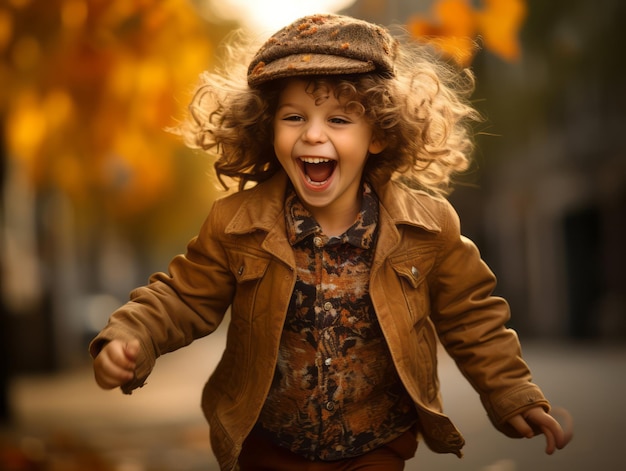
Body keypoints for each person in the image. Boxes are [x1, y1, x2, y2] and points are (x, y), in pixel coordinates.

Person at [91, 13, 572, 471]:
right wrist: (134, 337)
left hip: (375, 443)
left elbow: (472, 317)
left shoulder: (427, 228)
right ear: (266, 128)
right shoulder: (236, 224)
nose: (313, 135)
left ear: (379, 134)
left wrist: (512, 396)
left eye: (339, 120)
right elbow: (181, 298)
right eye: (294, 117)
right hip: (267, 441)